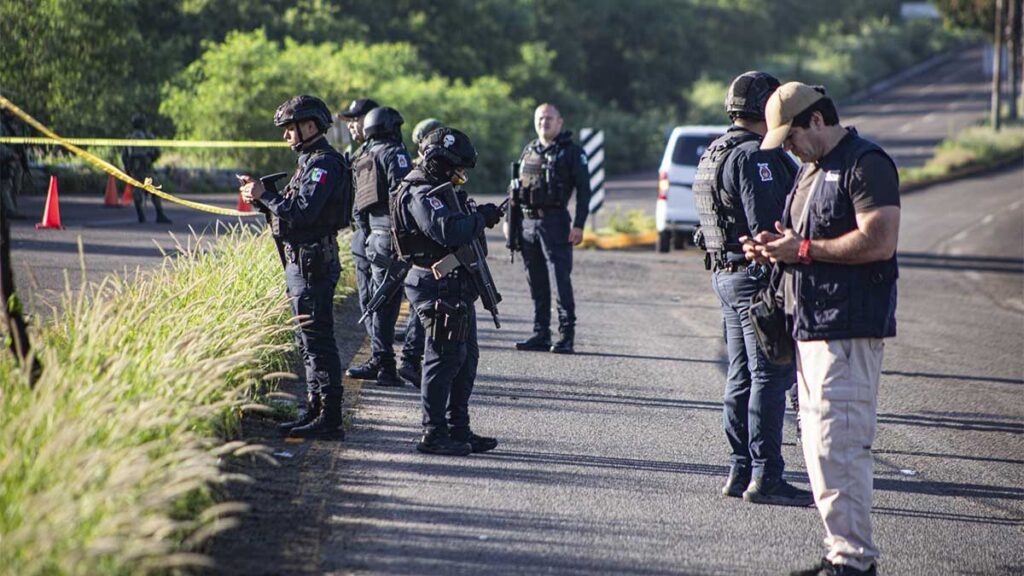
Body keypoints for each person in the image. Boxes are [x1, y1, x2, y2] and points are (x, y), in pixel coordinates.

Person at [744, 82, 900, 576]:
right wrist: (775, 247)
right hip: (808, 327)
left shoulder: (865, 163)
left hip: (848, 329)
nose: (787, 147)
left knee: (840, 445)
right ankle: (841, 554)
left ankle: (854, 561)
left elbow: (880, 241)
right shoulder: (810, 172)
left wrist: (803, 252)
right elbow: (802, 240)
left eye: (790, 136)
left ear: (817, 120)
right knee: (816, 449)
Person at [693, 71, 811, 506]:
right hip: (755, 280)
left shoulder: (714, 150)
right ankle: (766, 476)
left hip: (726, 276)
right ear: (765, 108)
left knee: (741, 375)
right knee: (769, 375)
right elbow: (768, 228)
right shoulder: (754, 157)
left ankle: (740, 469)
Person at [238, 95, 350, 440]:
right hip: (301, 262)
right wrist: (262, 198)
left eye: (290, 128)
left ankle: (330, 418)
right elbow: (288, 209)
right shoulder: (309, 161)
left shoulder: (324, 164)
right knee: (306, 340)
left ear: (311, 126)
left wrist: (265, 195)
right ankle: (315, 408)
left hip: (313, 264)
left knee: (318, 342)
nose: (286, 135)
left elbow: (302, 211)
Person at [391, 127, 504, 456]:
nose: (460, 176)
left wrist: (480, 216)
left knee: (464, 360)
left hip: (454, 285)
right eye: (456, 169)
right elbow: (447, 230)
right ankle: (433, 433)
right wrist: (480, 218)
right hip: (435, 284)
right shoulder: (420, 191)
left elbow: (458, 221)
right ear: (439, 161)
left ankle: (458, 429)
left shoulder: (439, 189)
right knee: (442, 360)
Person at [509, 104, 591, 354]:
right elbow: (514, 189)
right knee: (536, 281)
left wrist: (578, 225)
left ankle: (566, 336)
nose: (544, 122)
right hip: (527, 224)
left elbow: (585, 191)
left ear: (560, 122)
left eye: (549, 118)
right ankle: (541, 333)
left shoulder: (572, 152)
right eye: (540, 118)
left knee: (560, 280)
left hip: (555, 223)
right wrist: (509, 223)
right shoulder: (529, 150)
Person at [352, 105, 422, 387]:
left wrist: (368, 233)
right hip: (394, 237)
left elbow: (357, 206)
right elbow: (403, 196)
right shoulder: (395, 154)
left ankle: (384, 364)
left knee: (380, 301)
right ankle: (407, 361)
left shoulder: (361, 156)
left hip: (372, 238)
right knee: (415, 297)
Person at [339, 98, 382, 381]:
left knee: (376, 299)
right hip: (361, 233)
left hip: (374, 235)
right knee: (368, 299)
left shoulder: (379, 152)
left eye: (357, 119)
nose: (353, 125)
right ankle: (380, 356)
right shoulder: (360, 153)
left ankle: (381, 359)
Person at [121, 113, 171, 224]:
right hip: (143, 168)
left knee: (138, 192)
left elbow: (124, 156)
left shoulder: (130, 137)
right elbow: (157, 152)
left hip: (138, 168)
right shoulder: (147, 136)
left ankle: (142, 216)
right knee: (153, 190)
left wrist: (128, 168)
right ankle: (158, 214)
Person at [0, 108, 29, 220]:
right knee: (6, 185)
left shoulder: (13, 126)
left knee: (14, 186)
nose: (12, 114)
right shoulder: (1, 126)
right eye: (10, 111)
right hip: (5, 160)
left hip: (14, 160)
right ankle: (10, 210)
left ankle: (11, 209)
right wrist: (11, 154)